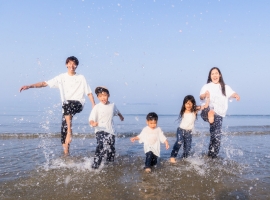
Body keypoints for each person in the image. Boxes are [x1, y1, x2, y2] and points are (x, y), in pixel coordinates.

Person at [20, 56, 95, 155]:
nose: (72, 66)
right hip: (66, 107)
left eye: (74, 64)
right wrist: (29, 86)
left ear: (76, 66)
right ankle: (66, 153)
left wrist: (94, 106)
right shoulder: (61, 77)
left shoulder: (81, 77)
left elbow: (89, 92)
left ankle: (69, 132)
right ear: (66, 65)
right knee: (63, 128)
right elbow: (44, 83)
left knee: (67, 106)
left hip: (78, 103)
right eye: (70, 63)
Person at [200, 67, 240, 158]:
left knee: (216, 136)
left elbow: (231, 93)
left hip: (218, 115)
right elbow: (201, 97)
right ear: (210, 76)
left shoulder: (225, 87)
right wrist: (205, 95)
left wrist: (236, 95)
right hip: (206, 111)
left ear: (220, 75)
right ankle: (210, 113)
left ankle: (212, 156)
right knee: (208, 110)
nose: (214, 75)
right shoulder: (207, 86)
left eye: (216, 73)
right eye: (212, 74)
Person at [89, 86, 124, 169]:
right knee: (101, 145)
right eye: (100, 96)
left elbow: (117, 111)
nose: (103, 98)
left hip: (111, 131)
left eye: (104, 95)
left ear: (108, 95)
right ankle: (95, 165)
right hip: (100, 130)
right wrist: (93, 123)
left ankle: (109, 164)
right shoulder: (97, 107)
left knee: (111, 148)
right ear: (98, 97)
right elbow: (91, 118)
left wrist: (120, 116)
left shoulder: (112, 105)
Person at [170, 95, 209, 163]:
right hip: (180, 130)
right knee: (179, 142)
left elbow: (205, 106)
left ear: (193, 104)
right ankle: (173, 156)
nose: (188, 105)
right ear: (184, 104)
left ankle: (184, 159)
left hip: (189, 132)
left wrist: (208, 98)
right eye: (187, 103)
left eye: (190, 103)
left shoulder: (194, 110)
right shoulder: (183, 110)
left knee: (187, 148)